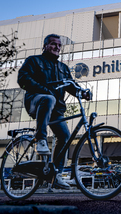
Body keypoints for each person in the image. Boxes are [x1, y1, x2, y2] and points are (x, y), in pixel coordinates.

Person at [17, 34, 91, 189]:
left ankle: (55, 175)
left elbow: (71, 86)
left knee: (64, 136)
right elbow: (23, 78)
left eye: (59, 45)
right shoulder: (34, 60)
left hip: (56, 109)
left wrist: (83, 93)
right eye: (53, 44)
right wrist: (44, 90)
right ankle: (40, 140)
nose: (57, 47)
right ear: (45, 46)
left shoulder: (63, 68)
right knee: (48, 98)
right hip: (35, 101)